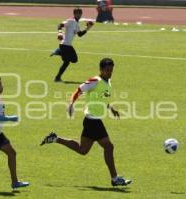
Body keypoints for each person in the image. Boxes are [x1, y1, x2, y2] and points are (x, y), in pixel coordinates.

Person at [41, 58, 131, 187]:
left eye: (111, 70)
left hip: (91, 121)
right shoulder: (95, 81)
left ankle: (55, 139)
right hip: (93, 121)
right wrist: (71, 103)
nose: (109, 73)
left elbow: (101, 98)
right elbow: (79, 90)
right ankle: (115, 178)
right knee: (109, 147)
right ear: (100, 70)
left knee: (83, 150)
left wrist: (111, 108)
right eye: (107, 70)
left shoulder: (107, 82)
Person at [50, 7, 94, 82]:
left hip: (65, 45)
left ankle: (57, 78)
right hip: (65, 45)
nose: (79, 15)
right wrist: (60, 32)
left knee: (66, 62)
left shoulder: (76, 24)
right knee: (74, 60)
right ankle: (58, 51)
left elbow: (80, 34)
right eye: (77, 13)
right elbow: (60, 25)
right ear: (74, 14)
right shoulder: (70, 21)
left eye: (80, 13)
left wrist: (88, 28)